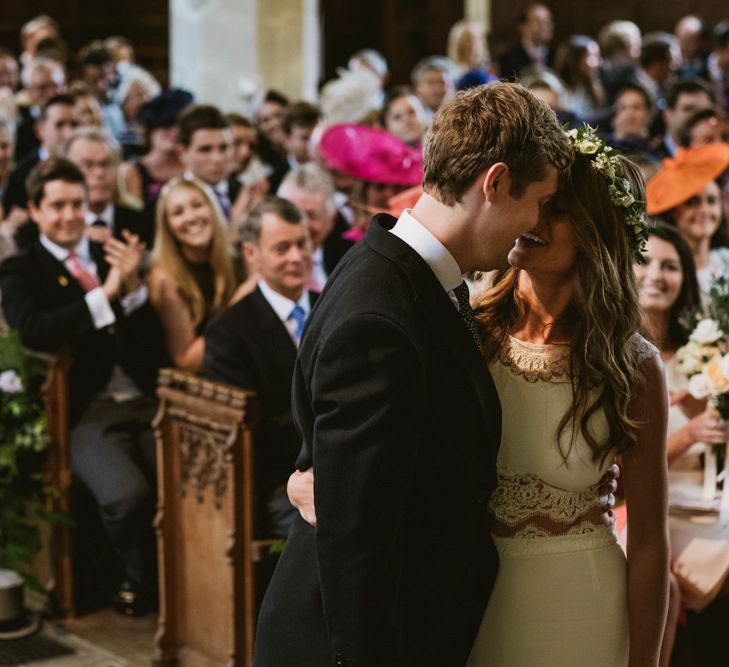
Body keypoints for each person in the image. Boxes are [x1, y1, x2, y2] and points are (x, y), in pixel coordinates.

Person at [283, 125, 669, 665]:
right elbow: (376, 444)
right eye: (539, 203)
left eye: (553, 209)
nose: (534, 220)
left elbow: (650, 540)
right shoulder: (469, 322)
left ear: (595, 231)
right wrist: (308, 483)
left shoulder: (631, 365)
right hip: (462, 597)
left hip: (581, 597)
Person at [254, 82, 575, 667]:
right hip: (352, 643)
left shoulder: (397, 268)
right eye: (540, 200)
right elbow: (357, 545)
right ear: (496, 183)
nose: (535, 224)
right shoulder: (380, 319)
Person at [0, 157, 168, 616]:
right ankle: (138, 583)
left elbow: (149, 343)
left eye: (77, 203)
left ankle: (178, 592)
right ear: (35, 210)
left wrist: (133, 290)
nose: (71, 214)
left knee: (181, 486)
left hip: (142, 398)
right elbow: (34, 328)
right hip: (83, 409)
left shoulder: (106, 256)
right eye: (58, 205)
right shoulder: (21, 270)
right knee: (127, 496)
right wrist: (107, 294)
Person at [204, 197, 317, 538]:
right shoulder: (228, 333)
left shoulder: (332, 305)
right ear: (251, 254)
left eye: (302, 244)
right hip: (276, 480)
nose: (296, 257)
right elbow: (250, 433)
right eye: (282, 248)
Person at [634, 223, 714, 666]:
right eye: (645, 261)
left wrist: (710, 415)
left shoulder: (704, 355)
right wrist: (689, 434)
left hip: (705, 507)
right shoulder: (611, 351)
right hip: (647, 513)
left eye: (671, 265)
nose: (657, 275)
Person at [148, 176, 240, 372]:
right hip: (206, 390)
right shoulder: (165, 278)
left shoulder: (237, 262)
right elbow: (187, 362)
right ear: (167, 225)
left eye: (197, 205)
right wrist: (241, 303)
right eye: (178, 212)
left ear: (212, 209)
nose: (191, 217)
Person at [646, 141, 729, 300]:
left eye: (711, 201)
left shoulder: (726, 259)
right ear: (671, 211)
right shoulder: (660, 272)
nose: (704, 210)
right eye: (692, 202)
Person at [277, 163, 353, 291]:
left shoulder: (350, 259)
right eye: (294, 215)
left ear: (332, 220)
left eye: (311, 215)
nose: (303, 224)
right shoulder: (266, 264)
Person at [498, 3, 554, 81]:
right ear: (522, 26)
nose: (546, 26)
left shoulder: (556, 56)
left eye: (548, 21)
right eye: (539, 21)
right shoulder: (507, 60)